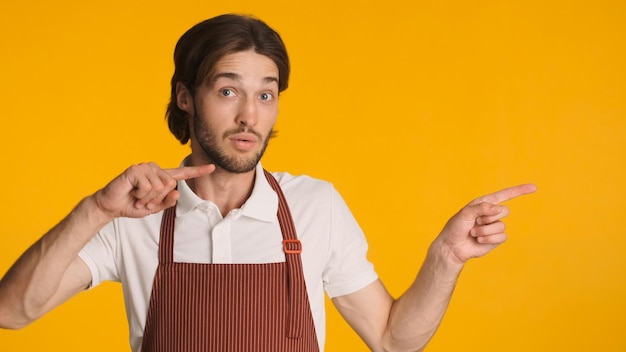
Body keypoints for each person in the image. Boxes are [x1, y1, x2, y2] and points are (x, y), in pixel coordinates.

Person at [0, 13, 536, 352]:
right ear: (185, 96)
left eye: (266, 93)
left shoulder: (315, 206)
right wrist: (96, 209)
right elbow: (11, 313)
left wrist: (446, 257)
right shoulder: (134, 216)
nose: (250, 117)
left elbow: (393, 340)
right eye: (229, 91)